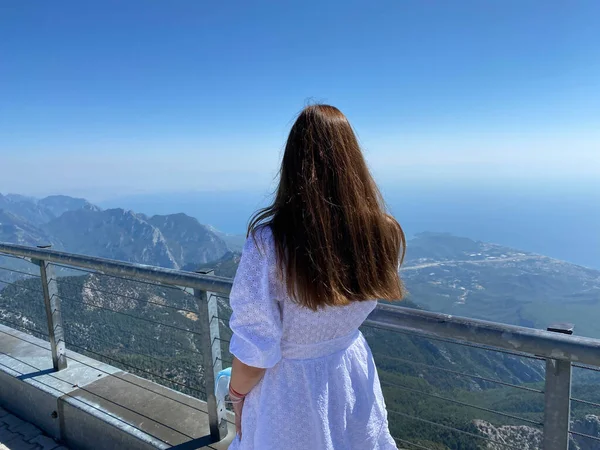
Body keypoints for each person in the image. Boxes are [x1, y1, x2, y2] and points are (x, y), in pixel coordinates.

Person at [227, 104, 405, 450]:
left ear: (293, 164)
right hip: (351, 372)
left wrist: (235, 396)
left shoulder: (270, 243)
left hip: (290, 392)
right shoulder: (382, 232)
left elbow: (255, 348)